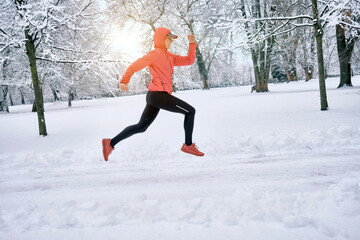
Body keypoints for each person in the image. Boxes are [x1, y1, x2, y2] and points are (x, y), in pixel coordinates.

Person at [102, 27, 204, 161]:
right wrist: (124, 81)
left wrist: (192, 45)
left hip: (154, 97)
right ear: (162, 39)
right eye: (169, 39)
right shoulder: (154, 55)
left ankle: (110, 143)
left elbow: (188, 61)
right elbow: (134, 66)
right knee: (190, 111)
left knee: (141, 126)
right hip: (158, 95)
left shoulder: (170, 57)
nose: (171, 42)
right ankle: (188, 145)